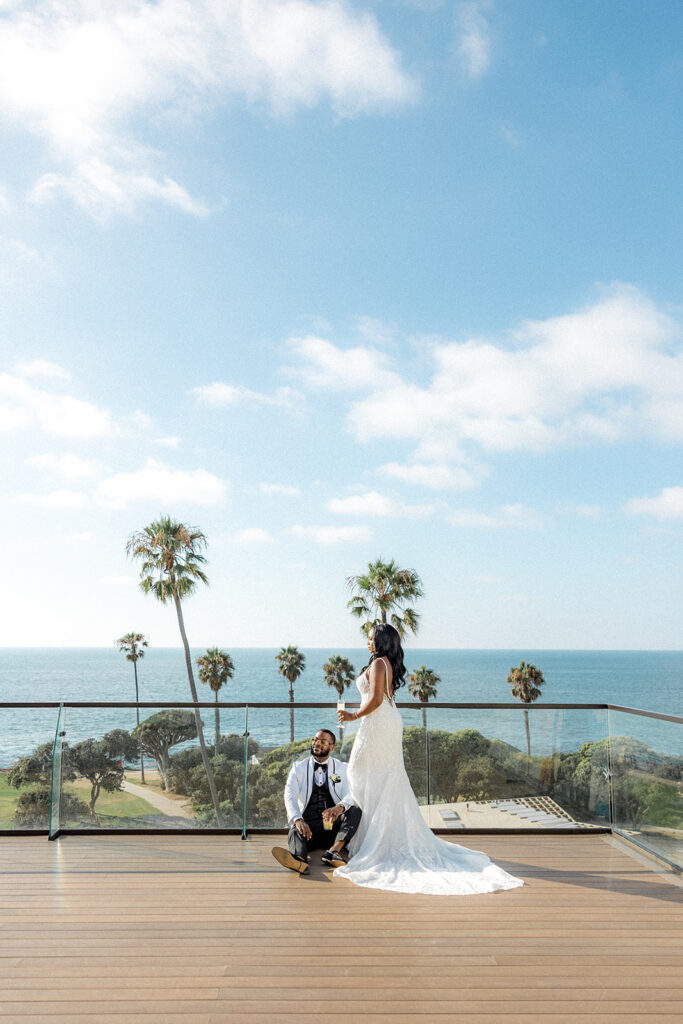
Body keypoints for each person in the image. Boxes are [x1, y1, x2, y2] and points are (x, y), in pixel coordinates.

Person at [335, 624, 524, 895]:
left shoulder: (378, 663)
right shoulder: (386, 663)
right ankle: (368, 837)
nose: (366, 643)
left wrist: (353, 716)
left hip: (377, 723)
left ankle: (372, 840)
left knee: (361, 773)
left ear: (380, 640)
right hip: (385, 722)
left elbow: (376, 699)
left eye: (369, 639)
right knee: (379, 777)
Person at [271, 729, 361, 875]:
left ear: (331, 747)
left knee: (355, 810)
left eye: (322, 741)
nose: (316, 744)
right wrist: (299, 819)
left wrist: (339, 808)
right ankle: (299, 860)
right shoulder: (298, 768)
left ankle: (333, 852)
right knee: (295, 828)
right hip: (309, 828)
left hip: (334, 827)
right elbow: (289, 795)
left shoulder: (342, 768)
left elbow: (351, 793)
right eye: (315, 740)